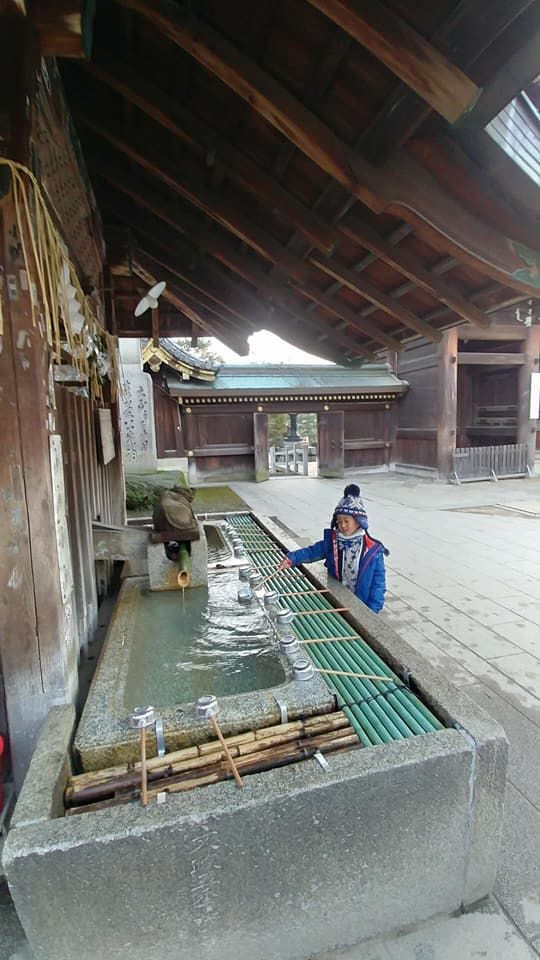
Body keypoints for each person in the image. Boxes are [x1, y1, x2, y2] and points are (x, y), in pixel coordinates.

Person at [278, 484, 388, 613]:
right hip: (338, 598)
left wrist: (372, 610)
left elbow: (378, 584)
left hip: (361, 603)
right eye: (339, 521)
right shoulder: (333, 542)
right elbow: (312, 552)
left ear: (359, 521)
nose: (342, 525)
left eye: (347, 521)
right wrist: (292, 558)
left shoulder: (372, 551)